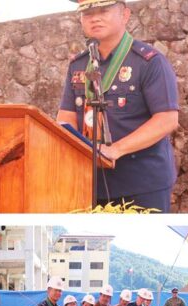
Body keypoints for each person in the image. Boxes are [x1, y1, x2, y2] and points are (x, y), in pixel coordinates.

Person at [57, 0, 179, 212]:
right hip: (90, 182)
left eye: (103, 10)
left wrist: (115, 150)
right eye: (88, 13)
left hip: (142, 183)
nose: (95, 18)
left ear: (125, 15)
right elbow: (66, 116)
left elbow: (167, 119)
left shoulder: (149, 61)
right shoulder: (79, 64)